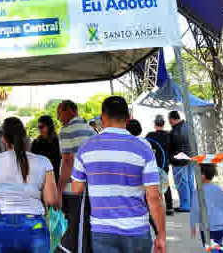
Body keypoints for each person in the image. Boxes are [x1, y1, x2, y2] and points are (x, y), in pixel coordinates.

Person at [72, 96, 166, 253]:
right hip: (137, 229)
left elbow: (77, 189)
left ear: (103, 117)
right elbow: (154, 197)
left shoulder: (86, 148)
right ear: (128, 117)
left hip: (102, 230)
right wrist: (161, 234)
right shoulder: (143, 148)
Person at [0, 117, 58, 252]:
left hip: (0, 226)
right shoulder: (43, 162)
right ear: (25, 136)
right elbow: (51, 199)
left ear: (3, 139)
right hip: (35, 226)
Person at [57, 100, 96, 252]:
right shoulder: (91, 130)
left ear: (70, 111)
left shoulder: (67, 131)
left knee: (74, 228)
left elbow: (67, 161)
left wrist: (59, 189)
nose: (58, 117)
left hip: (73, 189)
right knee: (85, 226)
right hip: (90, 188)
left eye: (60, 112)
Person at [146, 115, 174, 215]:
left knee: (152, 185)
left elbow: (146, 147)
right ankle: (169, 207)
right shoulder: (168, 135)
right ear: (163, 124)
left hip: (154, 164)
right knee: (165, 185)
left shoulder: (150, 135)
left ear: (155, 124)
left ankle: (153, 208)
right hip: (165, 163)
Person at [191, 164, 223, 249]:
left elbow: (195, 210)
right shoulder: (218, 189)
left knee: (210, 248)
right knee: (218, 247)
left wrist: (193, 226)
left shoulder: (197, 191)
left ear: (203, 176)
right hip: (220, 226)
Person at [169, 110, 195, 212]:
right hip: (191, 158)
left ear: (171, 119)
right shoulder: (188, 126)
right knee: (190, 181)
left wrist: (171, 158)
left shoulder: (175, 131)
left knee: (181, 183)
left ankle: (185, 205)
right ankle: (192, 204)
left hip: (180, 160)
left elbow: (175, 147)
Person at [31, 115, 61, 183]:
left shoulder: (58, 142)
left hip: (53, 176)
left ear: (49, 127)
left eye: (41, 127)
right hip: (39, 177)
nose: (39, 130)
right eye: (38, 127)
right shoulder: (36, 142)